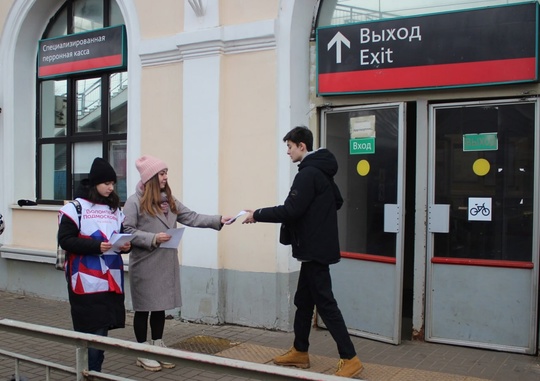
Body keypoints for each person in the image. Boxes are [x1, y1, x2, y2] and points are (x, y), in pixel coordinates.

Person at [242, 126, 363, 378]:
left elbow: (291, 210)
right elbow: (336, 200)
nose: (287, 152)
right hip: (314, 248)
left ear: (302, 146)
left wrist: (257, 214)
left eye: (289, 146)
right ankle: (299, 351)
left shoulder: (308, 173)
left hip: (314, 249)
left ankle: (349, 357)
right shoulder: (322, 171)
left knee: (326, 304)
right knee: (303, 301)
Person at [123, 155, 234, 372]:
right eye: (162, 173)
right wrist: (153, 238)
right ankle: (142, 350)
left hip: (165, 263)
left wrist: (218, 219)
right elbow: (126, 231)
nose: (166, 177)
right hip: (145, 264)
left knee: (160, 307)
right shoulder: (134, 201)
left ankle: (157, 344)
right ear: (151, 177)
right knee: (144, 308)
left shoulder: (169, 200)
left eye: (165, 173)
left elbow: (191, 217)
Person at [58, 157, 131, 373]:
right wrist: (96, 246)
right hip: (85, 281)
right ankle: (91, 372)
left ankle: (92, 371)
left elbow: (122, 235)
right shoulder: (75, 208)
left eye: (113, 184)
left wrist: (127, 246)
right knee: (91, 332)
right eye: (106, 183)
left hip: (110, 281)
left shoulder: (115, 209)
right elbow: (66, 240)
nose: (111, 188)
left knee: (101, 332)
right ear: (95, 183)